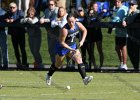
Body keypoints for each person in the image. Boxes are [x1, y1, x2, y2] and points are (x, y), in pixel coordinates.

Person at [46, 13, 93, 86]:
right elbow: (62, 43)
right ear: (67, 21)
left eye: (72, 21)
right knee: (57, 64)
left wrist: (82, 41)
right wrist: (70, 49)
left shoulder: (78, 24)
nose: (71, 23)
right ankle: (49, 75)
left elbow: (85, 30)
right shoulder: (64, 30)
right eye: (69, 22)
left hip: (72, 46)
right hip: (62, 48)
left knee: (79, 60)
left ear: (75, 20)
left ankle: (85, 79)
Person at [3, 2, 28, 70]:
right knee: (16, 49)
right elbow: (3, 18)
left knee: (22, 49)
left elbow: (21, 18)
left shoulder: (20, 12)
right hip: (13, 35)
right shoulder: (8, 13)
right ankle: (19, 63)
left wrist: (12, 20)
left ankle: (24, 63)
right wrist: (6, 19)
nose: (12, 9)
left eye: (13, 7)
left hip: (21, 34)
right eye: (10, 7)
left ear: (16, 8)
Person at [85, 2, 105, 71]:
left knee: (100, 50)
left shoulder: (99, 13)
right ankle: (94, 65)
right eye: (95, 6)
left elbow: (99, 19)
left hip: (98, 33)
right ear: (91, 7)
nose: (96, 7)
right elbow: (87, 21)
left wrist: (102, 12)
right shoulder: (87, 14)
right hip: (91, 34)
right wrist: (90, 14)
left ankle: (101, 66)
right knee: (91, 51)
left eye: (97, 6)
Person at [122, 0, 140, 71]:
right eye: (130, 4)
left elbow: (129, 21)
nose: (131, 6)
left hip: (137, 37)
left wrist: (128, 16)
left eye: (132, 5)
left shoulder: (137, 13)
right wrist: (124, 19)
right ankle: (136, 68)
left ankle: (136, 68)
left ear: (136, 5)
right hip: (130, 36)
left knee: (136, 53)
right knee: (130, 52)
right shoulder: (129, 13)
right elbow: (125, 19)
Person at [111, 0, 128, 70]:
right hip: (118, 32)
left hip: (124, 32)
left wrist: (113, 20)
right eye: (115, 2)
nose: (116, 3)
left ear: (121, 2)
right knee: (117, 48)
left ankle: (124, 64)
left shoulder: (124, 8)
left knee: (123, 48)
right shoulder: (116, 9)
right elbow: (114, 17)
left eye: (118, 2)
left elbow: (119, 19)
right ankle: (121, 63)